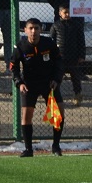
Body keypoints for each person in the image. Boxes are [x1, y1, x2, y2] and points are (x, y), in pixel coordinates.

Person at [12, 17, 65, 156]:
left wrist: (56, 79)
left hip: (49, 83)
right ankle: (28, 149)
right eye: (31, 28)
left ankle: (56, 146)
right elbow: (14, 68)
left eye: (36, 28)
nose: (33, 31)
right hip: (29, 84)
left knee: (58, 113)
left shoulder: (49, 43)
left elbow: (59, 62)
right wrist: (20, 83)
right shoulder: (20, 46)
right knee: (26, 115)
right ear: (25, 30)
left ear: (41, 30)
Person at [45, 0, 90, 105]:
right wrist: (59, 7)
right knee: (61, 37)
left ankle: (77, 69)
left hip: (78, 10)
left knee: (78, 36)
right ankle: (59, 69)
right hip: (63, 11)